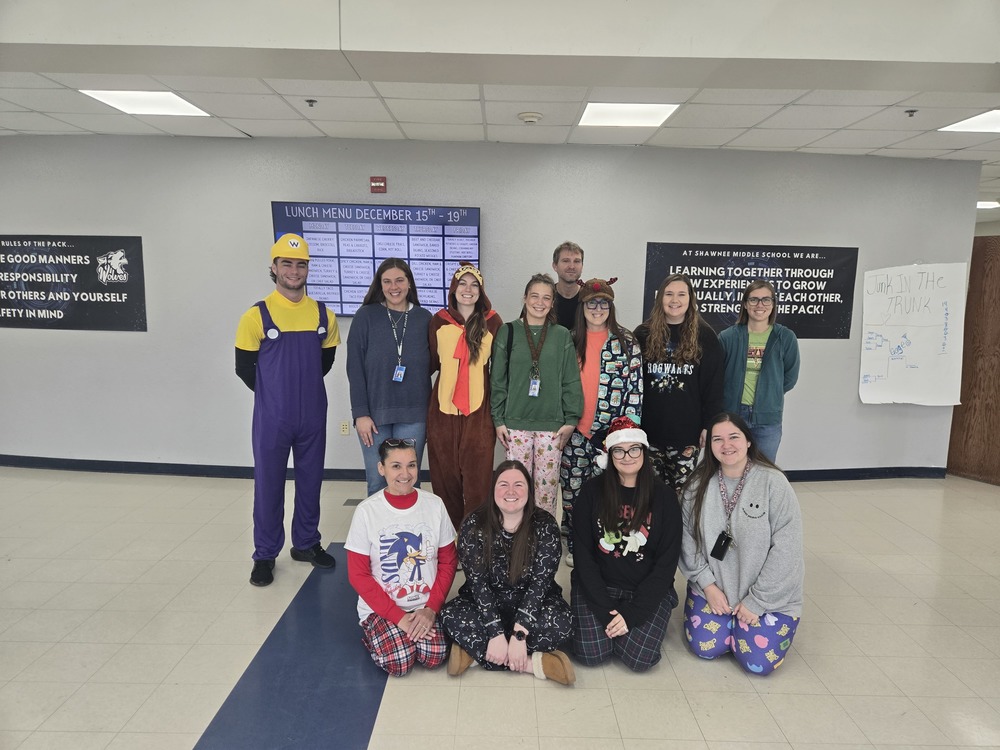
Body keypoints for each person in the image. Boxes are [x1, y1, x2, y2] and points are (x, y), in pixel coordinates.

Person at [235, 233, 341, 587]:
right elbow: (244, 367)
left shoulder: (323, 315)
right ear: (274, 268)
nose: (294, 271)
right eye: (286, 264)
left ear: (307, 268)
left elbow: (325, 363)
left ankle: (306, 543)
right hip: (272, 418)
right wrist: (274, 397)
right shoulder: (256, 316)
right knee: (268, 484)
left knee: (311, 482)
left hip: (312, 414)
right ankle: (265, 554)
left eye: (300, 264)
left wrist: (300, 393)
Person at [679, 412, 803, 676]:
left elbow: (787, 548)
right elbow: (686, 539)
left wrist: (757, 602)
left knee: (757, 663)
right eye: (718, 439)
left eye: (734, 437)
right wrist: (707, 585)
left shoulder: (773, 482)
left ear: (748, 441)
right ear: (709, 446)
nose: (726, 445)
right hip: (715, 589)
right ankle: (728, 624)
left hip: (767, 596)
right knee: (705, 647)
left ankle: (744, 625)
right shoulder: (697, 485)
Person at [439, 460, 575, 685]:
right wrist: (495, 632)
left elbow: (539, 586)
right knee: (449, 616)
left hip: (533, 604)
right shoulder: (474, 525)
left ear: (529, 491)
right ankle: (536, 663)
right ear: (493, 490)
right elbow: (478, 585)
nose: (511, 491)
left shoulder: (545, 525)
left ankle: (475, 654)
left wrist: (519, 635)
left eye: (518, 485)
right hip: (486, 604)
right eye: (503, 484)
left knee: (563, 621)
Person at [570, 416, 682, 672]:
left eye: (634, 449)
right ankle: (616, 631)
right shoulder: (591, 492)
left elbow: (667, 563)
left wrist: (632, 614)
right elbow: (584, 557)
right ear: (609, 455)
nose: (627, 456)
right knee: (591, 655)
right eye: (619, 450)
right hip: (599, 586)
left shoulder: (664, 497)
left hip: (644, 588)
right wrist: (605, 610)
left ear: (643, 451)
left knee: (639, 660)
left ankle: (634, 625)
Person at [344, 438, 458, 676]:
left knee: (434, 656)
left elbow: (448, 561)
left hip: (423, 605)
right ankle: (376, 634)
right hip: (382, 608)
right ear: (381, 468)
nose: (405, 474)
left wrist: (431, 608)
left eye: (412, 465)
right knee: (400, 662)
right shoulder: (366, 511)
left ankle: (403, 636)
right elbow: (358, 575)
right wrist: (398, 618)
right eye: (396, 466)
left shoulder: (435, 505)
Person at [559, 277, 642, 564]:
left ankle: (600, 540)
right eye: (591, 303)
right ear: (582, 306)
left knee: (607, 494)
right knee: (571, 492)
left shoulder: (626, 342)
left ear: (611, 306)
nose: (597, 308)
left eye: (603, 303)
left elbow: (635, 392)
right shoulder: (569, 340)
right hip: (573, 433)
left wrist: (624, 435)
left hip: (610, 438)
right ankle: (572, 539)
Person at [490, 273, 583, 526]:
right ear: (525, 298)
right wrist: (498, 419)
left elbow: (570, 380)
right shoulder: (507, 332)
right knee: (516, 488)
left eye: (546, 298)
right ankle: (516, 534)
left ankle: (543, 539)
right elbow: (498, 380)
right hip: (516, 423)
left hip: (551, 426)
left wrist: (571, 418)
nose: (540, 303)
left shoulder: (561, 335)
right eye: (534, 296)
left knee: (545, 493)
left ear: (552, 302)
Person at [427, 263, 503, 531]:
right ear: (453, 289)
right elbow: (430, 363)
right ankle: (450, 537)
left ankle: (475, 539)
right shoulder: (438, 321)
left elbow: (502, 369)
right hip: (443, 412)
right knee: (445, 479)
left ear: (480, 291)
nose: (467, 290)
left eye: (474, 285)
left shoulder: (493, 322)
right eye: (462, 284)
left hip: (478, 413)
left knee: (478, 481)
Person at [347, 258, 432, 496]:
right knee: (377, 482)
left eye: (399, 280)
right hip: (374, 415)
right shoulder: (365, 316)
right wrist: (360, 414)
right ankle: (378, 533)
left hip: (414, 414)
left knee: (408, 482)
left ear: (409, 284)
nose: (393, 287)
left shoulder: (424, 318)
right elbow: (354, 368)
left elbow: (436, 363)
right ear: (380, 285)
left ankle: (411, 531)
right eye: (387, 281)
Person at [634, 273, 724, 493]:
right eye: (669, 294)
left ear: (691, 299)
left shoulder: (706, 336)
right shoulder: (642, 334)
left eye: (681, 294)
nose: (675, 300)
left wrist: (708, 425)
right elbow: (633, 383)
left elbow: (713, 386)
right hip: (649, 431)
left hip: (686, 434)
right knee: (651, 493)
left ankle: (680, 530)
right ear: (660, 298)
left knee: (683, 495)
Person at [719, 280, 800, 463]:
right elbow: (717, 376)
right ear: (746, 304)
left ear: (773, 304)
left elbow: (790, 377)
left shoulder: (785, 337)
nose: (760, 305)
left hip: (767, 418)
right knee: (729, 469)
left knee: (763, 472)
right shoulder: (727, 337)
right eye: (754, 299)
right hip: (732, 415)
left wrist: (769, 393)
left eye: (766, 300)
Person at [551, 241, 585, 329]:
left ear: (582, 266)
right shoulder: (544, 297)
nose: (572, 266)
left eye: (577, 261)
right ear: (555, 266)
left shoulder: (589, 297)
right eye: (566, 261)